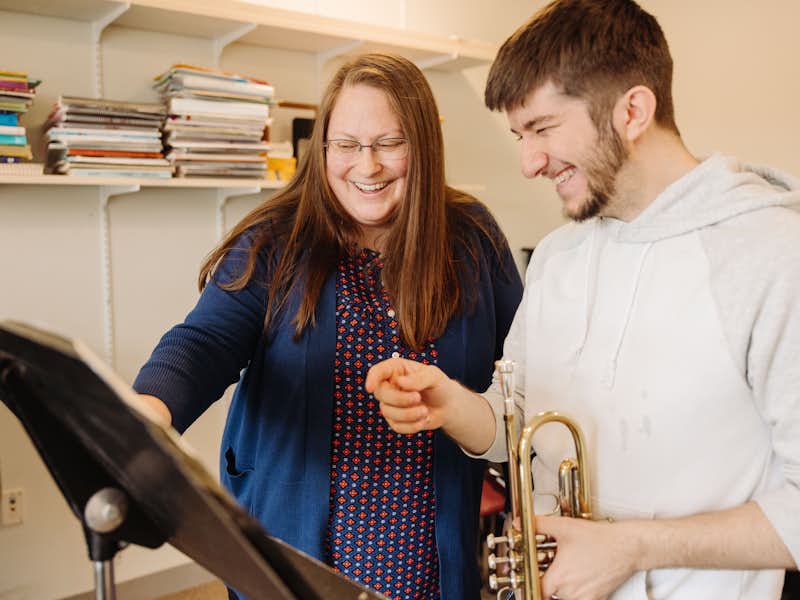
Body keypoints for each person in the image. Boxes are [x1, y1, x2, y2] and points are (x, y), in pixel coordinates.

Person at [365, 1, 800, 598]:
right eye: (520, 136)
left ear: (633, 111)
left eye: (543, 129)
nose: (528, 163)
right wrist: (449, 403)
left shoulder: (772, 253)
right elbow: (517, 424)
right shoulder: (557, 255)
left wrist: (634, 548)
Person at [133, 53, 522, 600]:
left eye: (389, 143)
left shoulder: (472, 237)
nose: (368, 166)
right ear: (322, 149)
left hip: (430, 562)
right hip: (294, 557)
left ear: (424, 146)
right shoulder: (275, 240)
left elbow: (522, 373)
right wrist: (149, 413)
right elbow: (204, 342)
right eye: (346, 144)